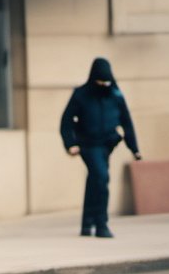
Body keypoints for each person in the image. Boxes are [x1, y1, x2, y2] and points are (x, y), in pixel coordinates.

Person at [60, 57, 142, 238]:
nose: (103, 85)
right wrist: (70, 144)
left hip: (107, 144)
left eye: (106, 81)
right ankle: (101, 224)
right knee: (101, 177)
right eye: (100, 81)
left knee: (95, 180)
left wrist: (134, 148)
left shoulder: (115, 94)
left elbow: (126, 122)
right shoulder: (81, 94)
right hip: (88, 145)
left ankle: (86, 224)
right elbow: (66, 122)